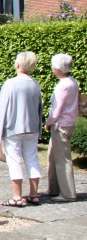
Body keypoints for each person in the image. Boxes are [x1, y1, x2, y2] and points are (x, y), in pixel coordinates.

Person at [0, 51, 43, 207]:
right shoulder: (35, 83)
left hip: (13, 128)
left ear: (17, 64)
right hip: (32, 127)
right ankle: (34, 194)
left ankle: (17, 196)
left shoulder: (10, 83)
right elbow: (39, 108)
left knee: (14, 160)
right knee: (32, 158)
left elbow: (2, 109)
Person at [43, 53, 79, 202]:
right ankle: (53, 188)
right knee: (52, 156)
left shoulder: (63, 86)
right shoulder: (72, 82)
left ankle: (68, 193)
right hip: (67, 124)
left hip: (61, 125)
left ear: (57, 68)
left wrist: (48, 122)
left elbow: (56, 110)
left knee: (62, 160)